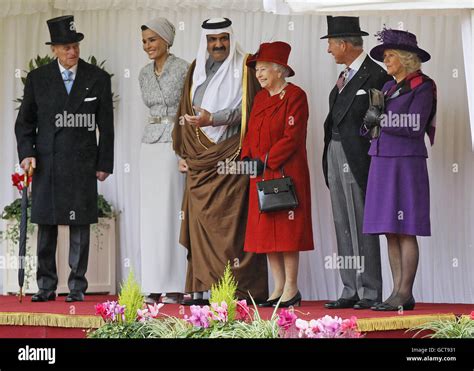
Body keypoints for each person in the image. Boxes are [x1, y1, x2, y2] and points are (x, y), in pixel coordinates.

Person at [15, 15, 114, 302]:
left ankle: (77, 287)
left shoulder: (97, 78)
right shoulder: (38, 79)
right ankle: (45, 286)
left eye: (75, 46)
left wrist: (104, 163)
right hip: (47, 162)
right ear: (54, 50)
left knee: (79, 224)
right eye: (66, 47)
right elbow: (25, 123)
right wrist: (27, 153)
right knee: (46, 224)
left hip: (82, 162)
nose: (72, 52)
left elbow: (105, 126)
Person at [172, 17, 268, 305]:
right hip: (199, 162)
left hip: (231, 158)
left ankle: (237, 291)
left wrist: (213, 118)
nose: (218, 45)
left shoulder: (246, 66)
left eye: (223, 39)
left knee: (229, 227)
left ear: (231, 38)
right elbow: (183, 112)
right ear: (205, 42)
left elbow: (249, 110)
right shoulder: (194, 69)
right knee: (200, 227)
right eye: (212, 40)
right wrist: (184, 152)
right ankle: (203, 289)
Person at [362, 28, 437, 311]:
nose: (386, 61)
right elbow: (374, 125)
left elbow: (415, 125)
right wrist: (369, 122)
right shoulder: (387, 87)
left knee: (406, 229)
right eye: (385, 56)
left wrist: (381, 119)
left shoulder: (423, 86)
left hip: (406, 162)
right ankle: (396, 291)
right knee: (389, 229)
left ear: (406, 58)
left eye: (390, 55)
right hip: (382, 161)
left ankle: (404, 292)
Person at [321, 16, 392, 310]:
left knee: (362, 222)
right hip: (336, 152)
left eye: (331, 45)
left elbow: (379, 121)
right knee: (342, 222)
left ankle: (370, 290)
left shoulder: (375, 75)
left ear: (344, 44)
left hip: (359, 158)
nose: (329, 51)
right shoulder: (346, 75)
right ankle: (350, 287)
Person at [242, 41, 314, 308]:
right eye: (257, 70)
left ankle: (292, 288)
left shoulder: (296, 96)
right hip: (260, 173)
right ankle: (278, 287)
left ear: (280, 70)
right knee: (266, 235)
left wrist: (267, 160)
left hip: (285, 173)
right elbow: (250, 132)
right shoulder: (260, 98)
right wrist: (248, 159)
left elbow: (292, 137)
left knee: (286, 231)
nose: (258, 74)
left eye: (263, 69)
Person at [138, 18, 189, 304]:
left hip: (174, 143)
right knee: (151, 216)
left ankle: (176, 284)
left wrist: (184, 150)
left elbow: (187, 109)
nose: (148, 46)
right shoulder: (144, 73)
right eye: (145, 41)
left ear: (167, 40)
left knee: (173, 213)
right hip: (149, 145)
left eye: (153, 39)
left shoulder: (183, 68)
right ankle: (153, 283)